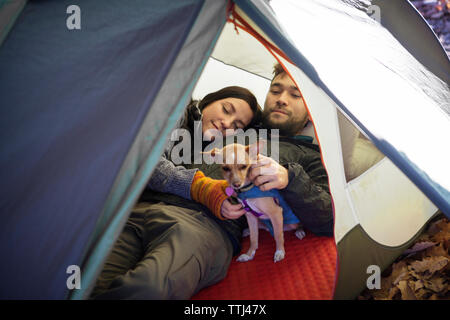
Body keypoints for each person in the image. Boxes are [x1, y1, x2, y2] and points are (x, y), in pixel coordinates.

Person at [90, 86, 262, 299]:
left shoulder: (216, 151)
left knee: (147, 288)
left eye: (237, 126)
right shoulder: (177, 109)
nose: (227, 123)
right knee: (89, 284)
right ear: (210, 100)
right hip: (132, 210)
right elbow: (146, 162)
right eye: (226, 109)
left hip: (185, 225)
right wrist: (199, 186)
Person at [221, 63, 333, 237]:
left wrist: (291, 178)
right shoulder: (236, 125)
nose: (281, 99)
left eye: (295, 95)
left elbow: (329, 220)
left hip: (206, 223)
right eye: (275, 91)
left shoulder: (312, 157)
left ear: (311, 112)